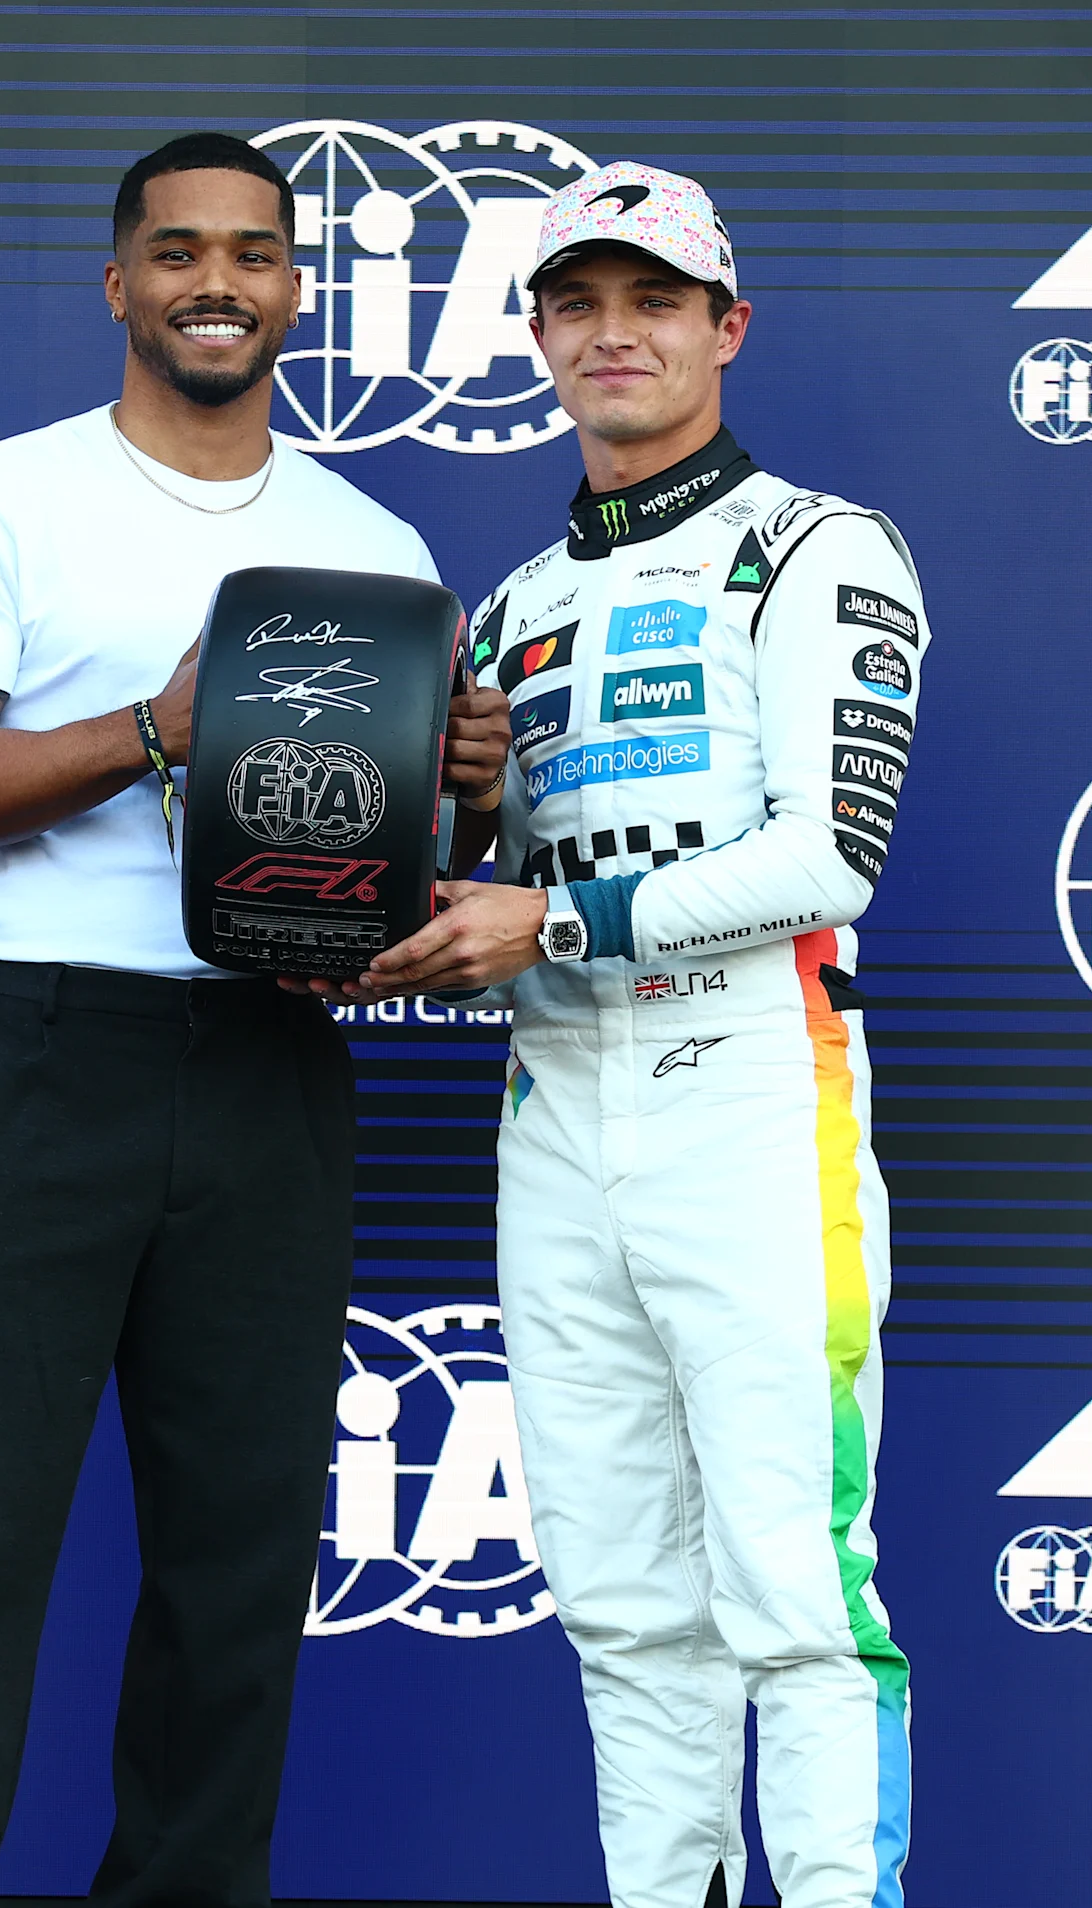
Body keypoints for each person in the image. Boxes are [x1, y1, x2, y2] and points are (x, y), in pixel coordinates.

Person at [0, 132, 509, 1908]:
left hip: (276, 1061)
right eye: (182, 250)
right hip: (50, 1057)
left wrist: (477, 800)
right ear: (119, 281)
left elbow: (394, 870)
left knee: (238, 1565)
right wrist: (155, 726)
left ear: (298, 290)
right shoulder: (2, 499)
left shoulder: (370, 544)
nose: (223, 281)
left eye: (260, 254)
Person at [320, 163, 928, 1908]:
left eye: (654, 300)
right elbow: (471, 901)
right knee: (621, 1603)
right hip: (557, 1101)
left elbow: (831, 856)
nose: (615, 333)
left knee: (800, 1598)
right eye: (576, 302)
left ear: (725, 328)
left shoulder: (817, 545)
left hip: (751, 1084)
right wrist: (378, 906)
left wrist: (544, 919)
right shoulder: (505, 607)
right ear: (534, 338)